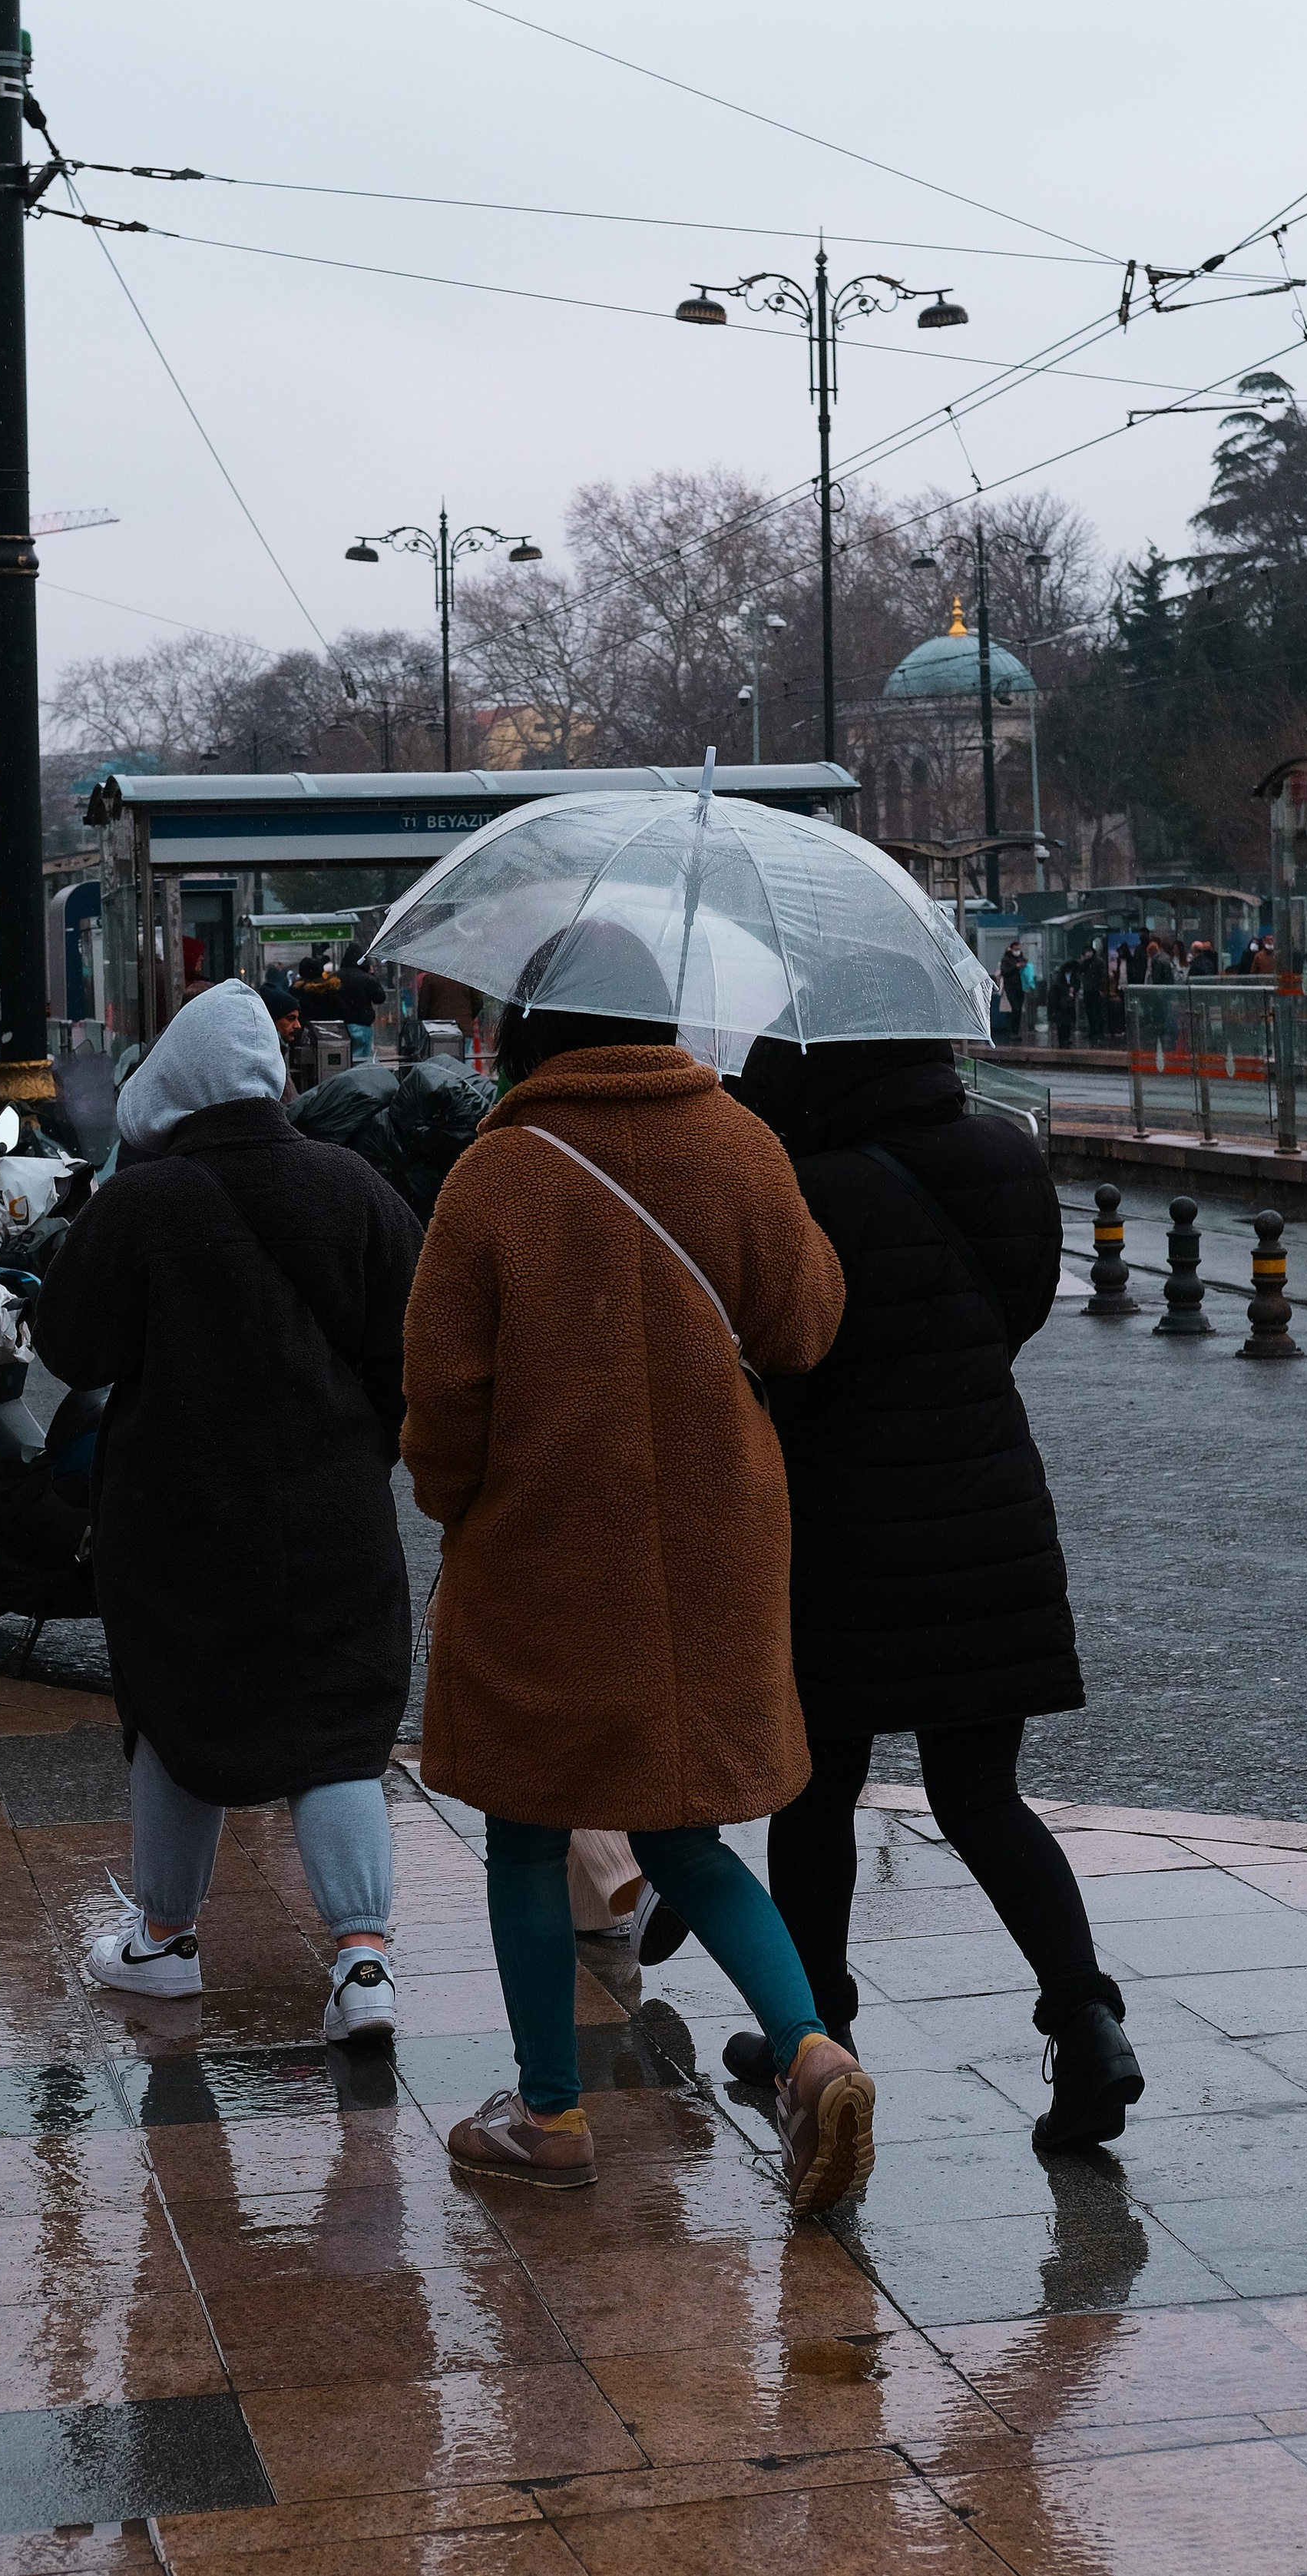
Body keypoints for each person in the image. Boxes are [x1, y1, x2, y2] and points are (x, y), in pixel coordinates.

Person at [400, 921, 875, 2212]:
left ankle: (549, 2112)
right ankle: (810, 2047)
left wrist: (458, 1505)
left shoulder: (497, 1174)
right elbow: (807, 1323)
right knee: (687, 1831)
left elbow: (441, 1395)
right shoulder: (739, 1142)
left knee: (523, 1823)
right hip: (717, 1545)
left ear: (535, 1023)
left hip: (544, 1546)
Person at [730, 1035, 1144, 2151]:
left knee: (815, 1798)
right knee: (982, 1795)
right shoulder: (1006, 1155)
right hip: (987, 1510)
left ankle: (812, 2043)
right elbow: (1012, 1313)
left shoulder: (809, 1186)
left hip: (844, 1528)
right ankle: (1088, 2018)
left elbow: (783, 1350)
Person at [35, 982, 422, 2040]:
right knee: (339, 1728)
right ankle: (363, 1963)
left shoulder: (146, 1203)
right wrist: (364, 1444)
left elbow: (69, 1347)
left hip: (179, 1517)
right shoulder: (352, 1186)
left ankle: (164, 1941)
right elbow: (416, 1347)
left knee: (178, 1707)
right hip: (335, 1509)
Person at [336, 944, 387, 1060]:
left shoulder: (335, 978)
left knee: (343, 1059)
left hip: (341, 1026)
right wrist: (372, 975)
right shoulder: (366, 979)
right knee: (361, 1060)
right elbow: (380, 998)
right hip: (362, 1024)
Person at [1047, 962, 1078, 1051]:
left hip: (1066, 1003)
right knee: (1062, 1023)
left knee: (1066, 1022)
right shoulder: (1059, 979)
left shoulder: (1073, 977)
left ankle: (1066, 1039)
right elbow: (1057, 989)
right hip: (1060, 1003)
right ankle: (1063, 1040)